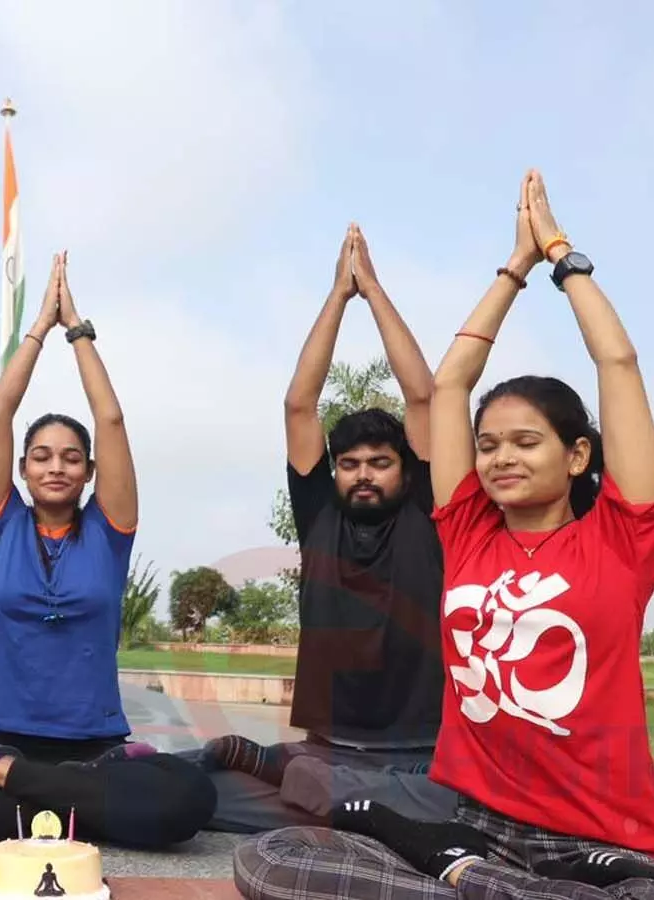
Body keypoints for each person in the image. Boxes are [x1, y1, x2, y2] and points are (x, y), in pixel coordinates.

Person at [233, 172, 654, 899]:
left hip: (595, 841)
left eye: (525, 442)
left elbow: (618, 363)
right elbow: (448, 389)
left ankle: (467, 883)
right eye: (488, 445)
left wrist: (556, 257)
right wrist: (507, 270)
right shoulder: (468, 533)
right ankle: (473, 876)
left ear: (578, 454)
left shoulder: (622, 537)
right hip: (474, 819)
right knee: (273, 860)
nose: (501, 458)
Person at [0, 252, 216, 848]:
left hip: (97, 746)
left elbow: (113, 419)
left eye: (71, 457)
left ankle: (22, 794)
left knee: (190, 799)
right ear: (22, 470)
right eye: (42, 457)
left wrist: (76, 331)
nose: (57, 466)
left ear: (89, 472)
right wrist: (37, 331)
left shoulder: (110, 529)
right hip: (3, 734)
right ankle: (66, 802)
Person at [194, 224, 456, 832]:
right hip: (328, 748)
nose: (363, 474)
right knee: (192, 787)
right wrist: (337, 296)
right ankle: (329, 801)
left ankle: (328, 802)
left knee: (448, 813)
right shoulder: (321, 515)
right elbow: (298, 406)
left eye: (380, 463)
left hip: (421, 756)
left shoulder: (429, 513)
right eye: (350, 463)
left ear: (406, 471)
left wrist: (374, 291)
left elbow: (425, 398)